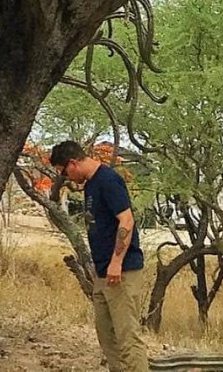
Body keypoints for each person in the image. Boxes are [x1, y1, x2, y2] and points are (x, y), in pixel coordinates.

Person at [48, 140, 148, 372]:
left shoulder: (108, 180)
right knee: (107, 336)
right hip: (103, 272)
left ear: (73, 163)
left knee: (127, 337)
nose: (65, 177)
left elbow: (126, 220)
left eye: (64, 172)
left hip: (121, 271)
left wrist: (116, 262)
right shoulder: (91, 185)